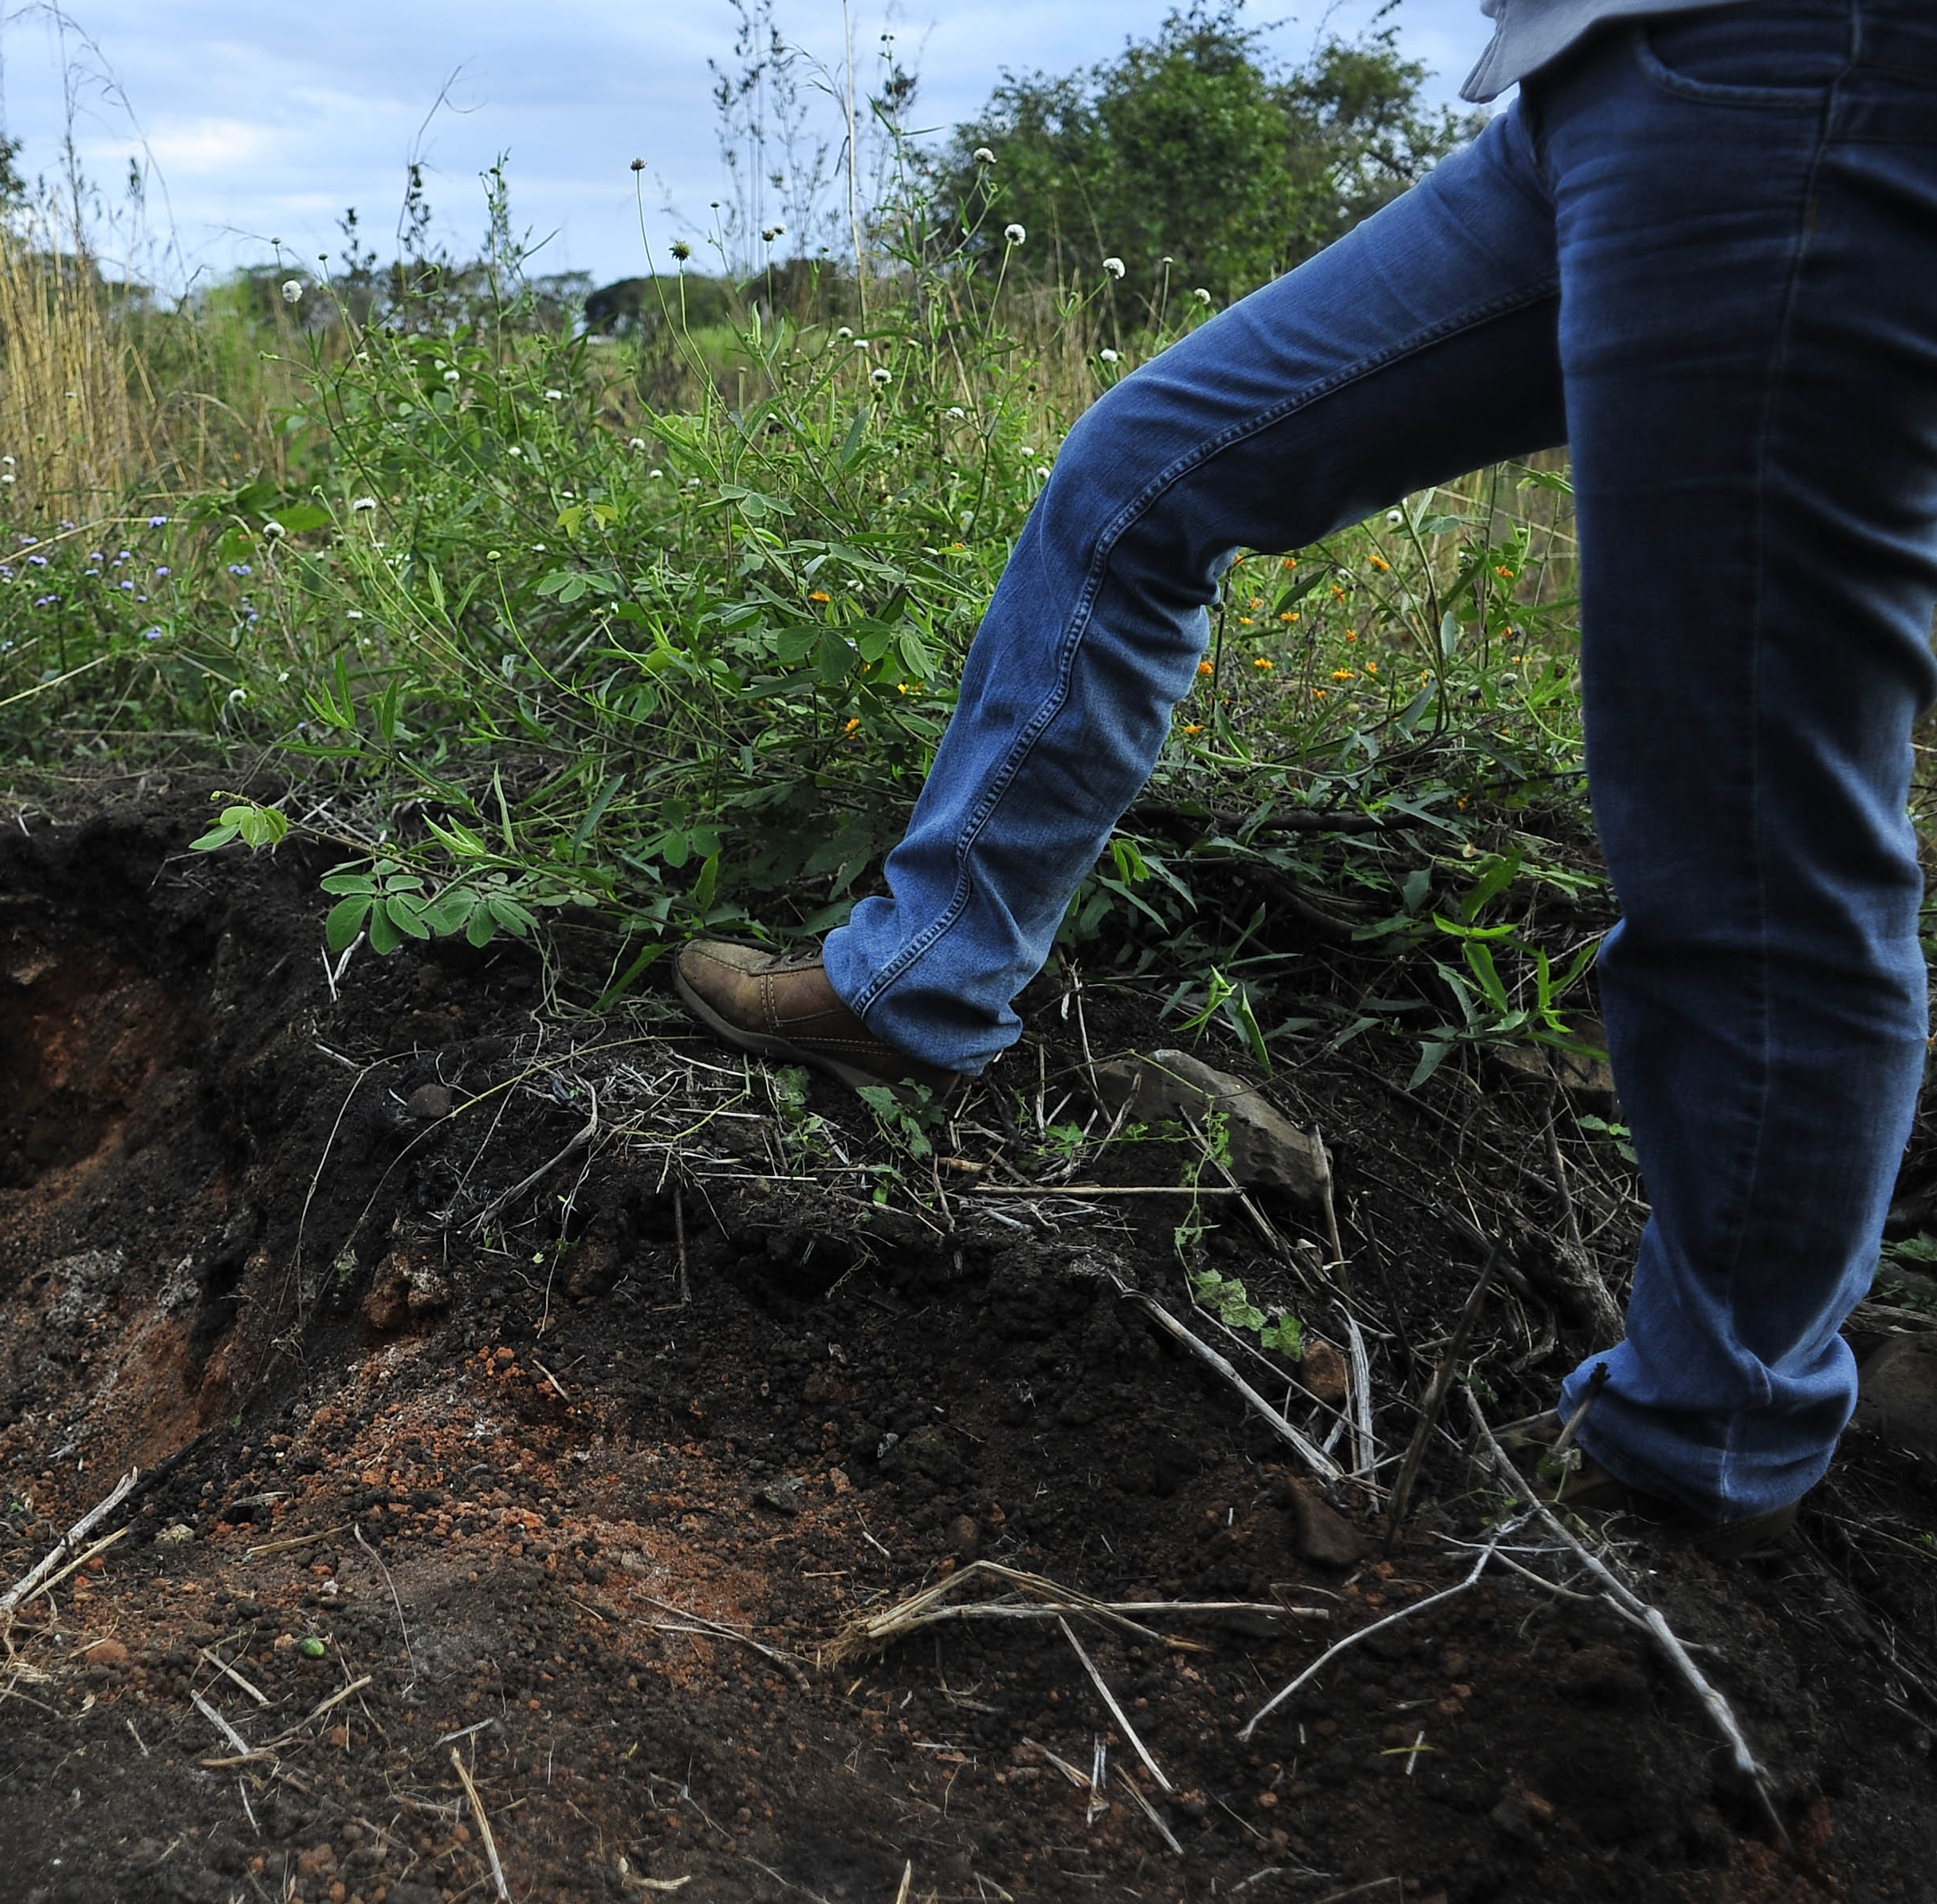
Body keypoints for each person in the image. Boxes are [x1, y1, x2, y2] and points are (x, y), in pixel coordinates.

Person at [676, 0, 1937, 1557]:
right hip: (1593, 87)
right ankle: (917, 978)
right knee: (1139, 478)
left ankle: (1709, 1439)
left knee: (1743, 829)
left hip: (1797, 79)